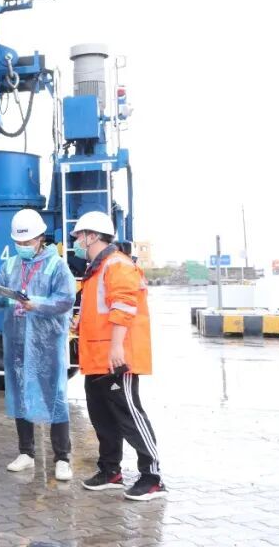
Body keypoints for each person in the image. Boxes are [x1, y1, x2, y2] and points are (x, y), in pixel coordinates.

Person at [71, 211, 167, 501]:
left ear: (92, 236)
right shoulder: (96, 270)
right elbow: (100, 311)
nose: (76, 242)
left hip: (116, 357)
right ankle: (110, 470)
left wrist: (116, 348)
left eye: (79, 236)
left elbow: (123, 307)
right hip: (96, 357)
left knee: (129, 415)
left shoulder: (117, 265)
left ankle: (152, 477)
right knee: (102, 417)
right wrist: (79, 323)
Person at [0, 209, 77, 481]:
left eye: (27, 242)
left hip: (47, 343)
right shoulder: (10, 265)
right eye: (18, 242)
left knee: (54, 396)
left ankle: (62, 457)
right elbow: (2, 299)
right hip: (17, 341)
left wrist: (37, 304)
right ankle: (26, 452)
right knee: (20, 393)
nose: (22, 246)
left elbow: (65, 300)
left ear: (40, 238)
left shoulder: (56, 266)